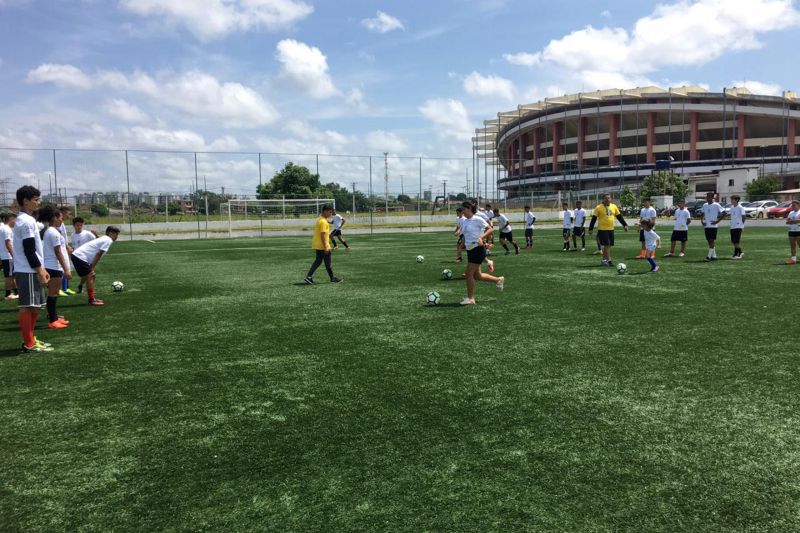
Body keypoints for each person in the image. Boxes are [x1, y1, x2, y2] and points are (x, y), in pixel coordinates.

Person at [12, 185, 52, 353]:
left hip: (31, 269)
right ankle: (28, 343)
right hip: (27, 270)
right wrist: (39, 269)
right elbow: (29, 249)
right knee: (27, 306)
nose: (38, 202)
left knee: (35, 306)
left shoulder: (27, 220)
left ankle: (30, 339)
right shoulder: (26, 222)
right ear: (25, 201)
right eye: (35, 200)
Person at [459, 202, 504, 306]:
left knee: (469, 273)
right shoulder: (465, 222)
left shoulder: (477, 219)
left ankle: (470, 298)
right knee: (477, 276)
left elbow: (490, 229)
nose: (463, 212)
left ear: (469, 208)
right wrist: (461, 246)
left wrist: (481, 237)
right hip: (470, 250)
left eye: (464, 209)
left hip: (478, 249)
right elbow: (465, 236)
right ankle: (498, 280)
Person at [71, 226, 121, 305]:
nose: (117, 237)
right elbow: (99, 253)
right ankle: (91, 300)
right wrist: (92, 266)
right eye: (116, 234)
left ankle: (86, 292)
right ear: (110, 233)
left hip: (77, 256)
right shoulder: (108, 240)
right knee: (91, 275)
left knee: (90, 276)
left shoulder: (105, 238)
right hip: (80, 257)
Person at [38, 206, 71, 329]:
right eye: (61, 217)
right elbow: (58, 252)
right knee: (53, 293)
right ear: (55, 218)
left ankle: (54, 317)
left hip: (52, 265)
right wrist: (66, 269)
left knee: (54, 293)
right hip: (53, 266)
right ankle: (52, 320)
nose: (62, 220)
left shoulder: (50, 231)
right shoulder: (53, 232)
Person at [304, 206, 342, 285]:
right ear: (325, 211)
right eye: (330, 212)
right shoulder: (324, 222)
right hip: (322, 245)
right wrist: (326, 247)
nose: (331, 214)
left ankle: (309, 277)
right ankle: (332, 278)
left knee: (318, 261)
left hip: (318, 244)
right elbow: (323, 234)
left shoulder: (320, 220)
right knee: (328, 262)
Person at [588, 194, 629, 266]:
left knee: (609, 246)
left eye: (609, 198)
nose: (607, 199)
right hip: (602, 229)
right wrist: (590, 229)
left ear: (611, 199)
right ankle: (609, 260)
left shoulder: (614, 206)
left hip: (611, 229)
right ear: (603, 199)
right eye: (606, 198)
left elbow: (619, 217)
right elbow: (593, 219)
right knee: (607, 245)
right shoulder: (598, 207)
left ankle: (604, 260)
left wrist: (625, 225)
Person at [70, 216, 97, 293]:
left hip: (87, 257)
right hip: (77, 258)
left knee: (90, 274)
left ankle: (85, 287)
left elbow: (96, 241)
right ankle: (84, 287)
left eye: (80, 225)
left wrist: (96, 234)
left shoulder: (87, 234)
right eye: (77, 225)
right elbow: (73, 246)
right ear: (74, 225)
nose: (79, 227)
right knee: (88, 274)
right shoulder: (73, 235)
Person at [701, 192, 725, 262]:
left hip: (713, 226)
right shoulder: (704, 205)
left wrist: (717, 221)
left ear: (712, 197)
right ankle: (714, 256)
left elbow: (724, 213)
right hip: (707, 226)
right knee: (709, 241)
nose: (707, 198)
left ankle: (708, 256)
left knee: (711, 240)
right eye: (706, 197)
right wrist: (702, 221)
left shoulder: (716, 205)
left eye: (708, 197)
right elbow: (702, 213)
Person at [58, 206, 76, 295]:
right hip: (60, 249)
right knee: (61, 268)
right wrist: (66, 246)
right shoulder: (58, 224)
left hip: (64, 248)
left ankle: (65, 288)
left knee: (66, 268)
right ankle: (59, 288)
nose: (69, 216)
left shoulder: (62, 223)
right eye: (68, 213)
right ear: (63, 213)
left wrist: (67, 245)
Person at [1, 212, 19, 300]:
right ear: (11, 219)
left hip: (5, 255)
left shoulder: (2, 228)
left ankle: (16, 292)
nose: (15, 222)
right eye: (15, 220)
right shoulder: (7, 229)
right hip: (8, 256)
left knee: (11, 275)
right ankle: (8, 294)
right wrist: (14, 255)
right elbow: (8, 243)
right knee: (9, 276)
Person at [729, 195, 746, 259]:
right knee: (733, 241)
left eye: (732, 199)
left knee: (736, 241)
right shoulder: (732, 207)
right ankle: (739, 252)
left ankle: (738, 254)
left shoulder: (740, 207)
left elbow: (744, 217)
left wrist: (742, 225)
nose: (731, 200)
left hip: (738, 226)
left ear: (736, 200)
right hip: (732, 226)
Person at [786, 199, 800, 264]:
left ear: (798, 205)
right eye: (792, 205)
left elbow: (799, 220)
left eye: (794, 205)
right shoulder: (791, 213)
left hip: (799, 230)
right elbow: (787, 222)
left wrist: (792, 221)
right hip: (791, 231)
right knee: (792, 245)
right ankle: (793, 260)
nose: (793, 206)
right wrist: (793, 221)